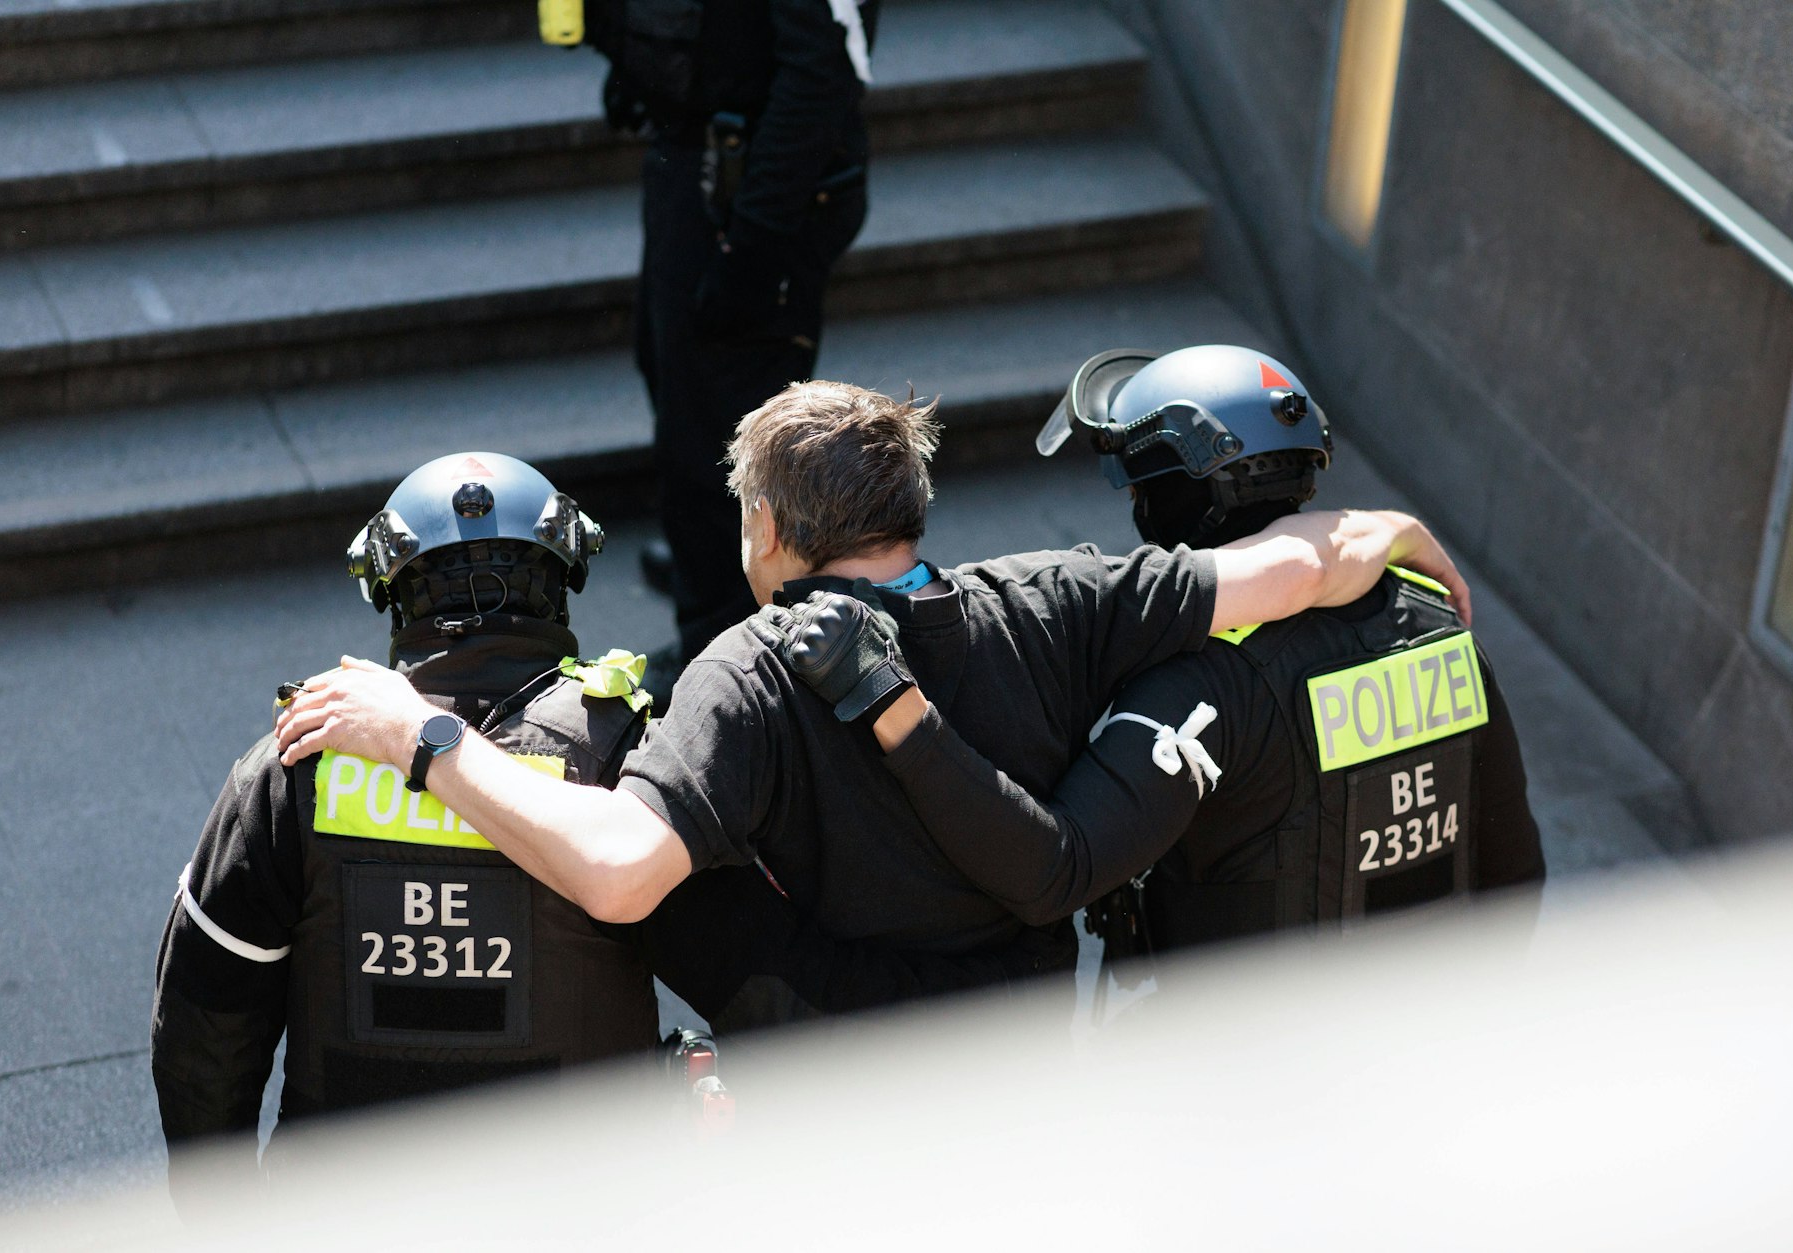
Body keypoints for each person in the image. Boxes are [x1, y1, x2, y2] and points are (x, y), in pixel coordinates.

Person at [271, 383, 1472, 982]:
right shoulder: (1053, 596)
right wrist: (1394, 527)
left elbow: (621, 871)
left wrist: (423, 735)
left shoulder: (744, 675)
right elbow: (1280, 565)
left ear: (771, 532)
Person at [151, 449, 1050, 1208]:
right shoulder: (635, 760)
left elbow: (204, 1030)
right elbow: (762, 978)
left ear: (393, 594)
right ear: (560, 581)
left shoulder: (295, 763)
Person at [767, 346, 1544, 966]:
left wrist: (896, 713)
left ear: (1171, 499)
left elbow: (1056, 871)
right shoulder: (1435, 620)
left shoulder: (1200, 684)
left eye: (1141, 489)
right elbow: (1514, 873)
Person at [572, 0, 877, 688]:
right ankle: (708, 580)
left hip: (751, 189)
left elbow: (821, 73)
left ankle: (733, 667)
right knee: (679, 392)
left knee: (726, 434)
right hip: (694, 155)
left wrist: (754, 244)